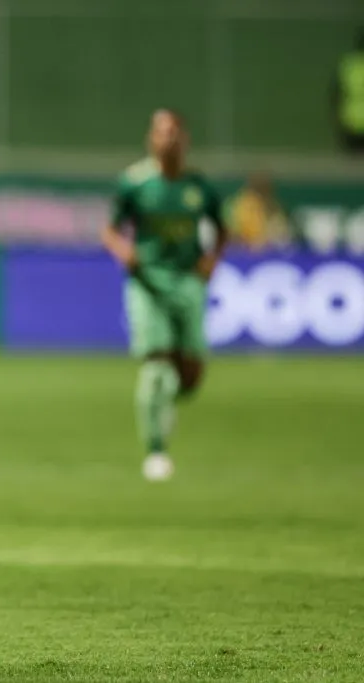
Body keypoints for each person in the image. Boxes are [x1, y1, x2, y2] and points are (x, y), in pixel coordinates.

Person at [101, 109, 227, 481]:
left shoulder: (198, 188)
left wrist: (212, 260)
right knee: (156, 366)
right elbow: (109, 230)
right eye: (161, 132)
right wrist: (125, 252)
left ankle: (169, 398)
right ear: (151, 139)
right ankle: (155, 451)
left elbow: (222, 229)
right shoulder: (135, 183)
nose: (168, 138)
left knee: (190, 376)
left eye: (174, 132)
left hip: (188, 283)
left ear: (184, 139)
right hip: (148, 282)